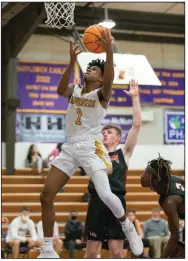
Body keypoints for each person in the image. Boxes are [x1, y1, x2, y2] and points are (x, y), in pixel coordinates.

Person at [38, 29, 143, 258]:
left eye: (95, 69)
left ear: (102, 77)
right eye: (89, 67)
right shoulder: (75, 89)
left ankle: (126, 225)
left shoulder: (102, 95)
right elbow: (59, 90)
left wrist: (108, 51)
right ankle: (47, 250)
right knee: (46, 195)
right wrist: (71, 62)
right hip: (70, 146)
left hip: (90, 145)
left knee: (105, 194)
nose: (89, 70)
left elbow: (111, 78)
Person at [84, 80, 142, 258]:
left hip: (117, 201)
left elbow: (137, 125)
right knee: (91, 252)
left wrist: (135, 97)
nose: (105, 133)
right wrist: (83, 95)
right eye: (104, 132)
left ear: (118, 138)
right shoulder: (94, 152)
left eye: (109, 132)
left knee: (116, 252)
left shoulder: (124, 152)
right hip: (96, 202)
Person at [141, 155, 185, 258]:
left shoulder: (169, 202)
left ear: (156, 179)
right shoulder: (175, 179)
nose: (142, 176)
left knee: (177, 254)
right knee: (177, 253)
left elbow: (175, 236)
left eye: (146, 174)